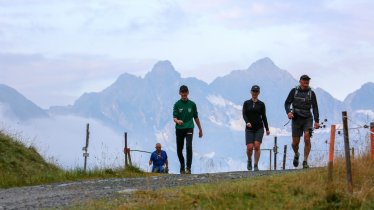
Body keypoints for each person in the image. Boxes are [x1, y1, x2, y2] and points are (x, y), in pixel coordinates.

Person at [284, 74, 320, 169]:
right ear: (300, 81)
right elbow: (287, 103)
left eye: (307, 80)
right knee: (295, 143)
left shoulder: (311, 93)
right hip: (296, 119)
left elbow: (315, 107)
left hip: (307, 118)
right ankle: (296, 154)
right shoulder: (294, 91)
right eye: (304, 80)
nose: (306, 82)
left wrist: (316, 121)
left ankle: (305, 161)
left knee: (307, 138)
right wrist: (288, 112)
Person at [173, 85, 203, 174]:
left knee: (189, 146)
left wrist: (200, 129)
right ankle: (182, 165)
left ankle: (188, 168)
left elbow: (196, 117)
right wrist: (178, 121)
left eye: (185, 95)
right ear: (180, 94)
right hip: (179, 129)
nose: (184, 97)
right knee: (179, 149)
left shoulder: (192, 104)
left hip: (189, 128)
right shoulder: (177, 104)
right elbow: (174, 118)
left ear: (188, 93)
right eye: (182, 95)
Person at [242, 85, 270, 171]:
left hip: (259, 128)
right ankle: (249, 160)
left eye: (256, 91)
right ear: (251, 92)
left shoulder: (261, 104)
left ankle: (256, 165)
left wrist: (267, 128)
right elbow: (244, 114)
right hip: (249, 129)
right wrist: (247, 122)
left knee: (257, 146)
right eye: (253, 91)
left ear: (259, 93)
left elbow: (264, 116)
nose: (255, 93)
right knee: (250, 147)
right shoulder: (246, 103)